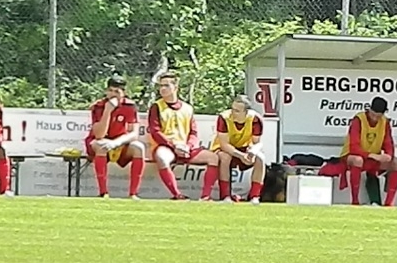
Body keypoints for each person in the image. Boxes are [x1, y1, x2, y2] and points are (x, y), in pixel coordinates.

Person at [147, 72, 220, 201]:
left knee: (213, 158)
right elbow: (155, 131)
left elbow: (193, 132)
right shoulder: (156, 107)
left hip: (185, 147)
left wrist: (188, 146)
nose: (162, 89)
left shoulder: (187, 108)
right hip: (167, 146)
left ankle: (205, 196)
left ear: (175, 88)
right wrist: (174, 145)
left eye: (166, 85)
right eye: (161, 86)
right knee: (162, 158)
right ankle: (177, 195)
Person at [85, 75, 146, 199]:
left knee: (139, 147)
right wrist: (108, 111)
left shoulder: (129, 106)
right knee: (101, 145)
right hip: (100, 141)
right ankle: (103, 193)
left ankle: (133, 194)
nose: (112, 95)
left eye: (117, 92)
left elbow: (134, 134)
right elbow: (99, 135)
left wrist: (116, 143)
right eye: (110, 91)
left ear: (123, 93)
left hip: (120, 142)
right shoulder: (99, 106)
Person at [341, 96, 397, 206]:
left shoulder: (385, 122)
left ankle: (388, 203)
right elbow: (354, 147)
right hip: (353, 156)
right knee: (358, 160)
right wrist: (372, 155)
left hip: (373, 158)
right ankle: (355, 201)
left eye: (378, 116)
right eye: (372, 115)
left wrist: (389, 155)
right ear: (369, 110)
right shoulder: (358, 120)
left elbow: (388, 143)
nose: (374, 118)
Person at [211, 95, 265, 204]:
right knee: (225, 157)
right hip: (223, 148)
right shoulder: (224, 117)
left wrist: (252, 152)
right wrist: (241, 155)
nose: (233, 112)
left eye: (237, 111)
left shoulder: (255, 119)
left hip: (244, 147)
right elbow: (224, 145)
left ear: (246, 112)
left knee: (260, 158)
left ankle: (255, 196)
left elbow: (257, 142)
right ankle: (225, 196)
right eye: (232, 109)